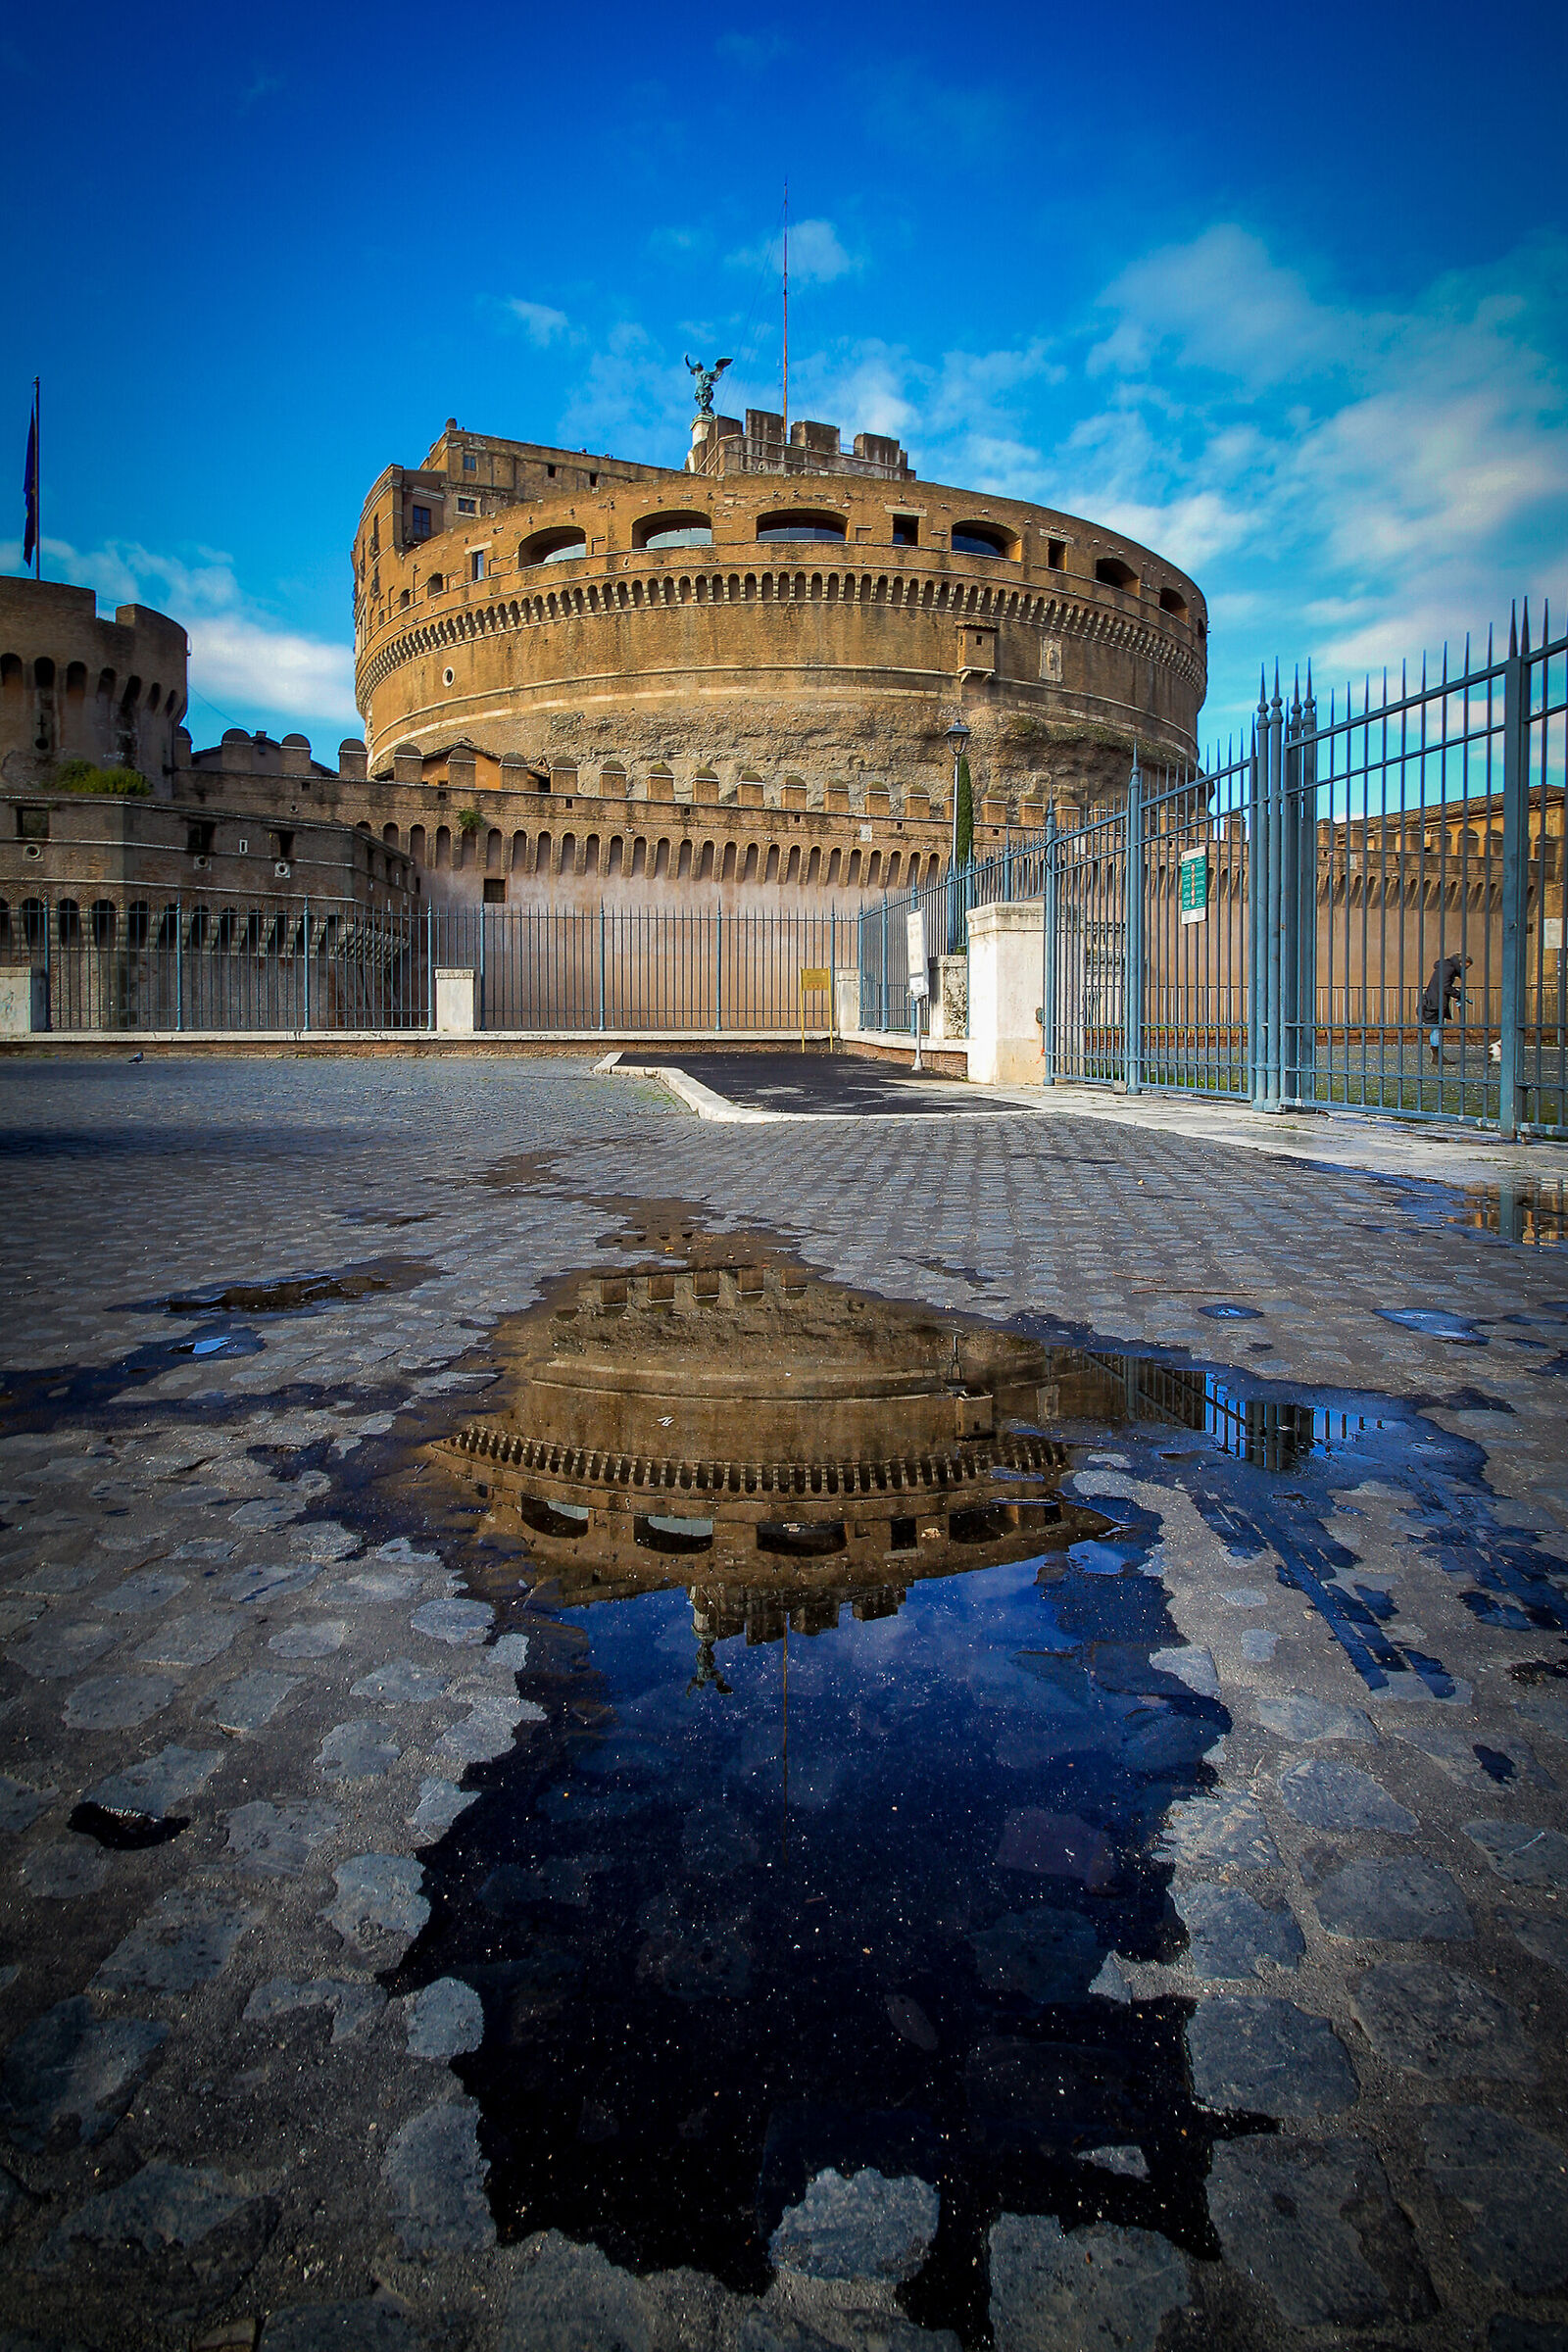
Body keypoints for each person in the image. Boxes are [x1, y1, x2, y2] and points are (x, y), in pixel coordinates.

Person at [1421, 953, 1471, 1062]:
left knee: (1437, 1028)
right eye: (1465, 967)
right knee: (1437, 1028)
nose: (1465, 970)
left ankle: (1437, 1056)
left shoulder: (1445, 967)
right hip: (1435, 1003)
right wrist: (1459, 995)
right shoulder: (1449, 969)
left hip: (1433, 1001)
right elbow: (1445, 987)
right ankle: (1437, 1056)